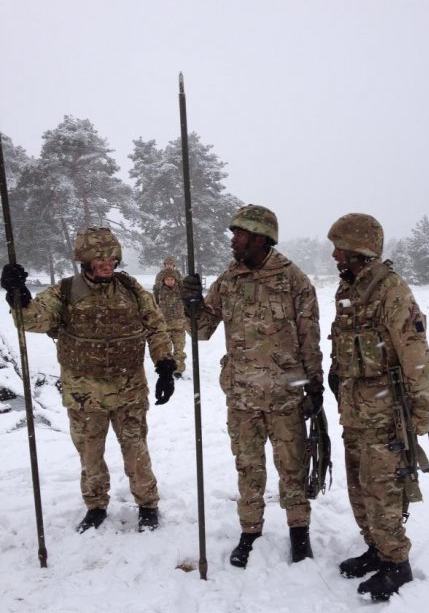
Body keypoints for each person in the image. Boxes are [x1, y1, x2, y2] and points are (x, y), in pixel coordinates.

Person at [0, 228, 177, 533]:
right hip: (84, 392)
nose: (106, 263)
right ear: (84, 260)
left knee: (136, 449)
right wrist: (19, 296)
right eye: (99, 258)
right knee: (90, 453)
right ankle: (96, 506)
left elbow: (156, 326)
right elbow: (32, 319)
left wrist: (164, 364)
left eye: (111, 257)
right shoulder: (66, 291)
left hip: (129, 388)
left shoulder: (131, 289)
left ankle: (147, 504)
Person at [182, 204, 324, 567]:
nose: (233, 241)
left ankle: (299, 533)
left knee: (292, 468)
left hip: (285, 396)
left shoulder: (294, 280)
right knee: (248, 467)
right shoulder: (229, 280)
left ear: (262, 238)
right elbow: (201, 330)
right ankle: (250, 531)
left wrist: (315, 386)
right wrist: (191, 304)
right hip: (242, 396)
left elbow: (310, 338)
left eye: (240, 235)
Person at [327, 213, 429, 600]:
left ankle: (396, 563)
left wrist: (420, 413)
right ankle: (374, 547)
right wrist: (336, 373)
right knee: (358, 483)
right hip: (355, 410)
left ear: (360, 249)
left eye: (340, 247)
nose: (335, 254)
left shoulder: (391, 291)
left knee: (383, 487)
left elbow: (415, 355)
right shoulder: (349, 288)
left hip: (386, 414)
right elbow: (342, 339)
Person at [153, 264, 187, 377]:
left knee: (179, 349)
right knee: (166, 350)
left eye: (172, 279)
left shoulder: (181, 290)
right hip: (165, 326)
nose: (170, 281)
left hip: (179, 325)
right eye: (167, 279)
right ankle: (167, 369)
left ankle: (178, 369)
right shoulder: (159, 291)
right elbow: (154, 305)